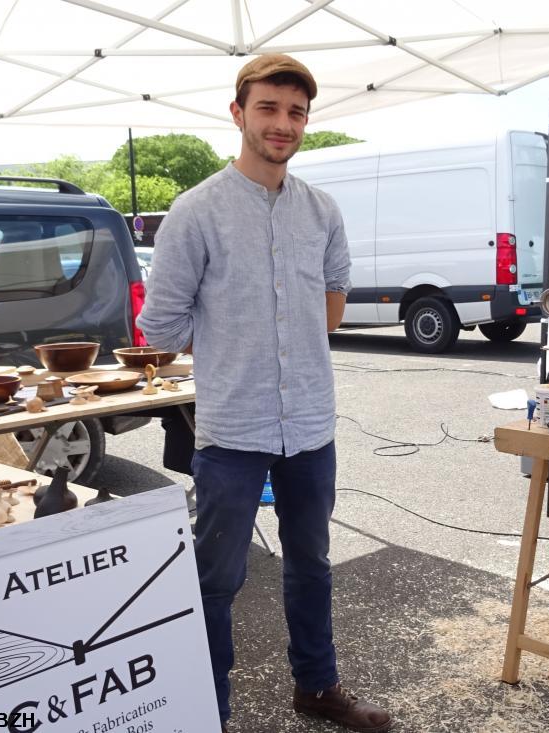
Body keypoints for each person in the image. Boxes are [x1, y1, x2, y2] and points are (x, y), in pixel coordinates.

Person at [136, 54, 394, 733]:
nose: (283, 124)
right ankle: (208, 710)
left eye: (296, 112)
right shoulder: (195, 213)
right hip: (231, 429)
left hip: (311, 422)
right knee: (215, 579)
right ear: (238, 113)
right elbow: (160, 327)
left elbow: (332, 305)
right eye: (269, 109)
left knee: (311, 562)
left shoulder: (322, 211)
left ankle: (317, 685)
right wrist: (229, 342)